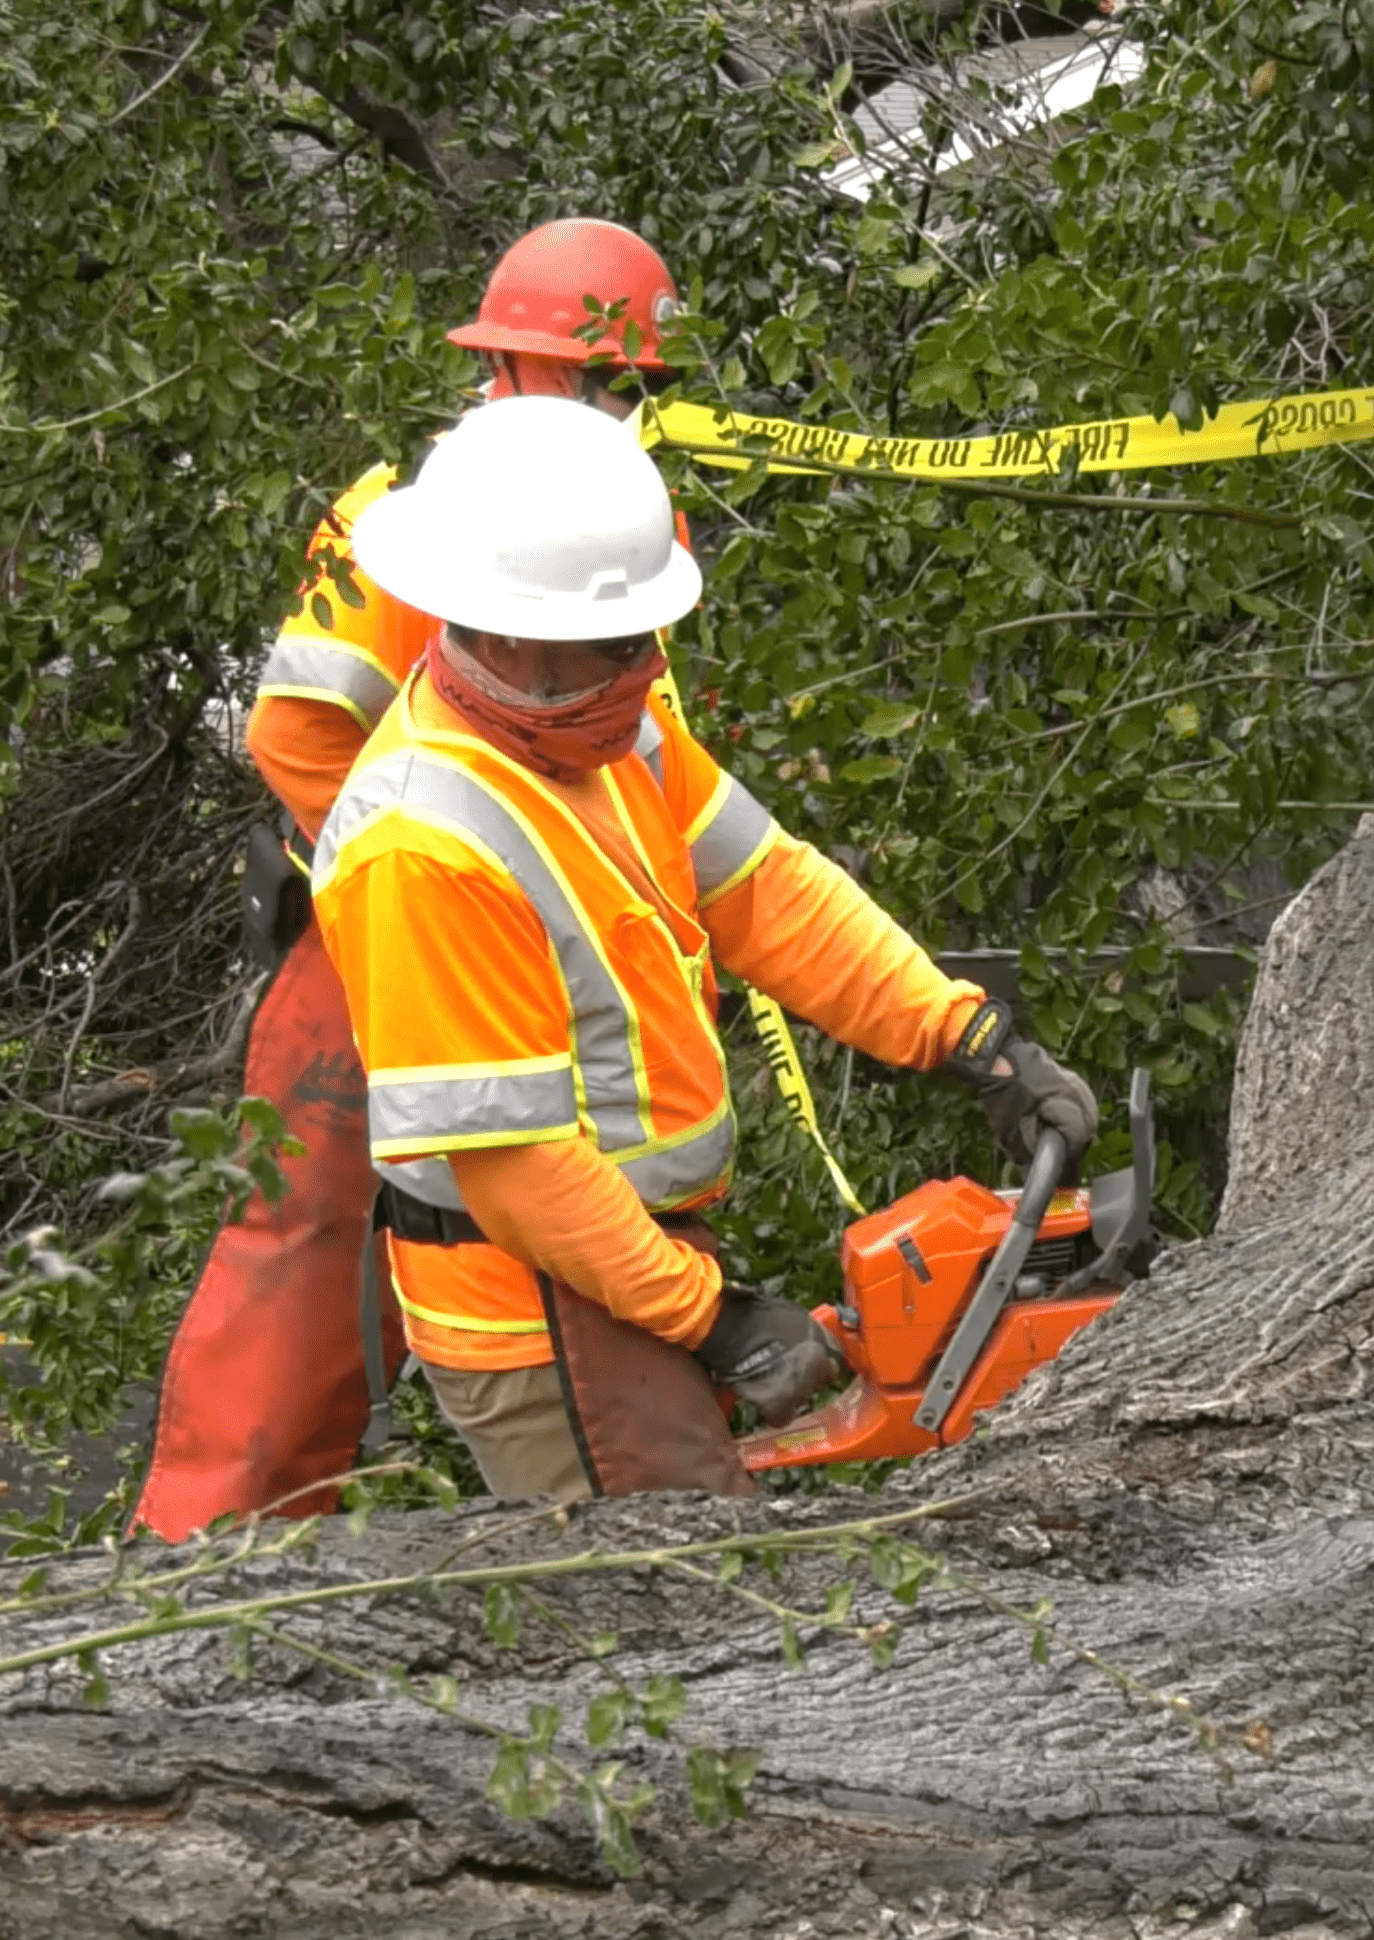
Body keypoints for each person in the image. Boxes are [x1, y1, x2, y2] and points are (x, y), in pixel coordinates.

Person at [311, 394, 1097, 1499]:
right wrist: (716, 1317)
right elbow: (517, 1166)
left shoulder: (609, 733)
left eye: (642, 639)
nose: (639, 670)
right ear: (496, 628)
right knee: (684, 1613)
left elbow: (771, 891)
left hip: (628, 1266)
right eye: (606, 645)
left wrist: (965, 1035)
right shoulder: (422, 845)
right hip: (542, 1312)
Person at [131, 218, 699, 1540]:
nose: (623, 412)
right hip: (370, 944)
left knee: (537, 1233)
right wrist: (420, 887)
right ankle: (212, 1567)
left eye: (636, 390)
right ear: (511, 368)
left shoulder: (608, 514)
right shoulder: (410, 513)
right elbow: (294, 730)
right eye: (604, 382)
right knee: (303, 1267)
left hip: (510, 930)